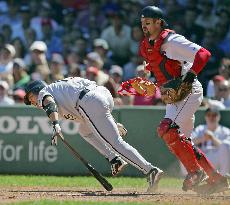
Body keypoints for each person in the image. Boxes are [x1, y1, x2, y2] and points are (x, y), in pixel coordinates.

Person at [139, 5, 229, 194]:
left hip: (189, 91)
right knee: (182, 141)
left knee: (167, 129)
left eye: (148, 22)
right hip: (174, 96)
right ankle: (215, 178)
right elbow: (160, 69)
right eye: (142, 23)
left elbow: (204, 54)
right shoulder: (148, 45)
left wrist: (189, 76)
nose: (144, 26)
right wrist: (149, 83)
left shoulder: (172, 41)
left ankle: (195, 172)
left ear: (159, 22)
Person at [23, 77, 163, 192]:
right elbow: (93, 103)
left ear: (36, 90)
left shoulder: (44, 91)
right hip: (102, 95)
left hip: (89, 100)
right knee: (84, 130)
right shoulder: (58, 88)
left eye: (30, 97)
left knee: (115, 143)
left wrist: (55, 124)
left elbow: (49, 103)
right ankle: (115, 159)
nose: (32, 102)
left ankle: (150, 170)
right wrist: (112, 122)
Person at [192, 108, 230, 176]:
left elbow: (227, 147)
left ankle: (223, 176)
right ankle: (190, 176)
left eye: (214, 115)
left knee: (226, 144)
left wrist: (212, 138)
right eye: (209, 115)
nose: (211, 117)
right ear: (205, 117)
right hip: (202, 158)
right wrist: (203, 138)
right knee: (186, 145)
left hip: (218, 159)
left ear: (219, 117)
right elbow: (190, 141)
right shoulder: (200, 129)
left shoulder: (225, 131)